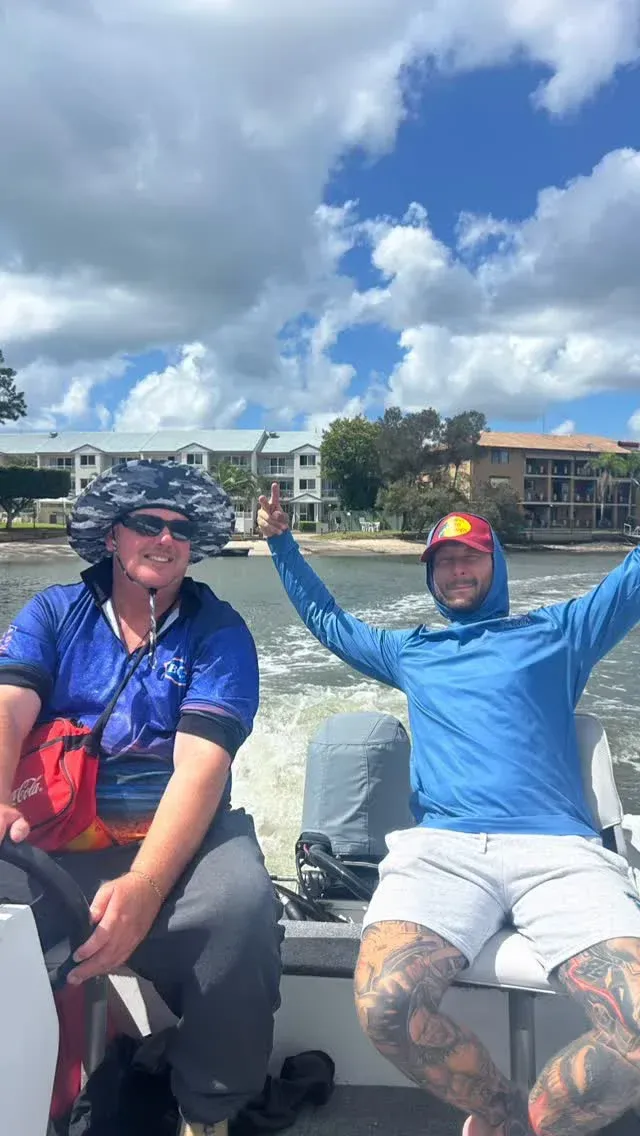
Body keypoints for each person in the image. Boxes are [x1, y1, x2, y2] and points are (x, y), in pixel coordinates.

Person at [257, 484, 640, 1136]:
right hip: (443, 849)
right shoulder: (413, 652)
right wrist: (280, 543)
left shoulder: (561, 633)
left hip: (560, 852)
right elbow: (329, 622)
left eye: (471, 557)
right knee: (385, 1005)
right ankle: (496, 1114)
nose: (457, 571)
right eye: (443, 562)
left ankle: (533, 1126)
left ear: (498, 566)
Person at [0, 460, 282, 1136]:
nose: (165, 538)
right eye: (148, 523)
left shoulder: (219, 632)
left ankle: (206, 1110)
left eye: (181, 529)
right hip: (53, 832)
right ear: (112, 537)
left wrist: (149, 885)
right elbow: (9, 709)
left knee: (240, 909)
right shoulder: (54, 613)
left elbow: (199, 768)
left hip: (179, 839)